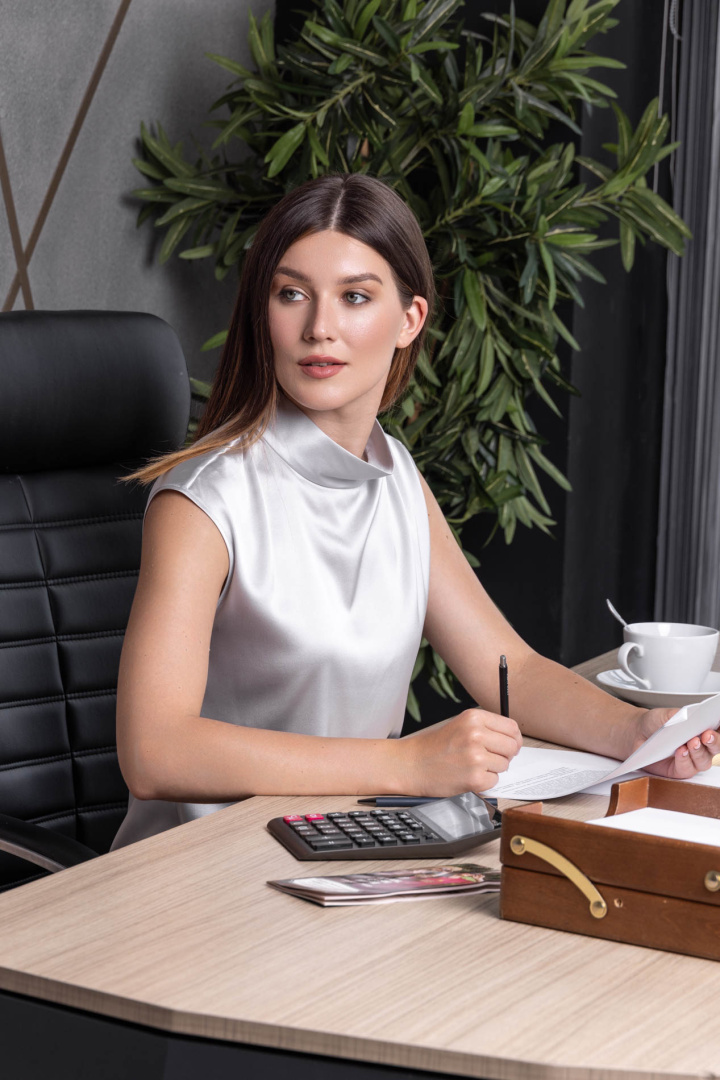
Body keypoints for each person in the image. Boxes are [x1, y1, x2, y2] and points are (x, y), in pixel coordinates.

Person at [111, 173, 717, 849]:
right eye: (292, 294)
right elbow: (154, 752)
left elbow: (510, 669)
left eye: (355, 297)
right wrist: (404, 763)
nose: (319, 328)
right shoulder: (203, 500)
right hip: (198, 872)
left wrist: (638, 734)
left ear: (409, 320)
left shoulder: (393, 474)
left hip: (348, 845)